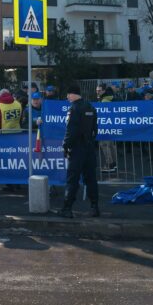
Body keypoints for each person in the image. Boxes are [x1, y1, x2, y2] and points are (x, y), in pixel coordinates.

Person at [59, 87, 99, 218]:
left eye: (68, 94)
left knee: (72, 179)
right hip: (89, 147)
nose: (67, 98)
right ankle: (95, 207)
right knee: (91, 179)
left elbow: (71, 131)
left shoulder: (74, 109)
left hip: (77, 148)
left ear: (72, 94)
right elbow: (95, 129)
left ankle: (67, 208)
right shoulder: (90, 107)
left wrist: (65, 145)